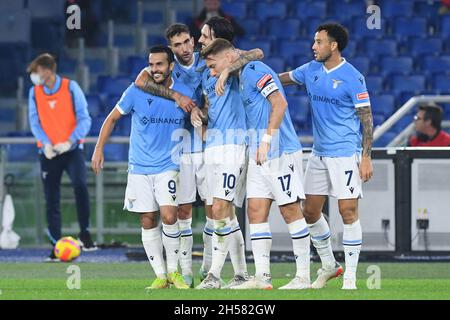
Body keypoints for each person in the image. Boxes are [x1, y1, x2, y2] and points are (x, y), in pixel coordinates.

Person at [134, 17, 263, 289]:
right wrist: (184, 102)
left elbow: (257, 54)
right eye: (176, 44)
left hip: (221, 145)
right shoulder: (173, 70)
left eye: (191, 40)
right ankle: (188, 272)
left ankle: (212, 270)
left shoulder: (213, 61)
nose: (185, 47)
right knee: (194, 213)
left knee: (217, 211)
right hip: (186, 149)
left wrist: (227, 72)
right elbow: (140, 80)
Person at [203, 38, 312, 290]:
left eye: (212, 65)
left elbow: (280, 103)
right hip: (259, 154)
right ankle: (263, 278)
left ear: (228, 58)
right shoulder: (240, 76)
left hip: (280, 149)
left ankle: (303, 277)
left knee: (290, 210)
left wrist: (266, 139)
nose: (211, 72)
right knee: (255, 212)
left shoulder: (256, 71)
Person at [278, 23, 374, 290]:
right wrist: (254, 76)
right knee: (309, 211)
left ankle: (352, 278)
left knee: (347, 211)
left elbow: (366, 119)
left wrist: (366, 156)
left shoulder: (353, 77)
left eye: (319, 42)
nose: (313, 46)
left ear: (333, 45)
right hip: (319, 153)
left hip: (345, 153)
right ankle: (330, 265)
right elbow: (280, 79)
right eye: (314, 41)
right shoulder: (310, 70)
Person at [91, 45, 192, 290]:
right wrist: (98, 147)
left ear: (171, 66)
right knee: (147, 219)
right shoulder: (136, 90)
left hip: (169, 165)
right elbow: (112, 118)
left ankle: (174, 272)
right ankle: (160, 276)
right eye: (151, 64)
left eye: (160, 64)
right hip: (139, 167)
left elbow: (200, 117)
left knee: (169, 215)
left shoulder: (186, 92)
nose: (155, 69)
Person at [27, 53, 96, 261]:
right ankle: (55, 243)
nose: (34, 76)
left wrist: (71, 141)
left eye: (36, 72)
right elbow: (34, 121)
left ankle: (85, 233)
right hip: (49, 152)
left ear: (47, 71)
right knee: (51, 198)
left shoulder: (70, 87)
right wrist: (45, 143)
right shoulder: (34, 92)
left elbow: (85, 119)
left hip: (72, 149)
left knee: (80, 186)